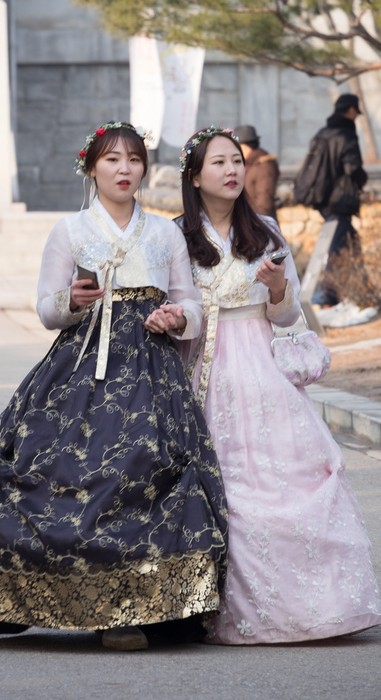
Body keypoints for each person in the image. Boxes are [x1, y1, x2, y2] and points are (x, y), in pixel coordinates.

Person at [0, 122, 229, 651]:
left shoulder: (164, 233)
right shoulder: (69, 231)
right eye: (112, 160)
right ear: (91, 168)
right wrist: (74, 302)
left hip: (150, 369)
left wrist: (175, 318)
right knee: (54, 466)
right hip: (81, 367)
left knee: (142, 467)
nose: (125, 170)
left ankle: (131, 611)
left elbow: (192, 305)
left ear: (145, 168)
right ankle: (53, 598)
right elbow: (47, 310)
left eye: (134, 160)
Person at [176, 125, 381, 644]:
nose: (231, 171)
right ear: (195, 176)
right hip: (206, 372)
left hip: (265, 374)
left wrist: (279, 288)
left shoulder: (265, 230)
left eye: (237, 162)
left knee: (295, 476)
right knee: (228, 488)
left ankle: (322, 605)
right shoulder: (176, 236)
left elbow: (289, 317)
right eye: (218, 163)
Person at [305, 94, 368, 307]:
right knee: (337, 248)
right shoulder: (346, 134)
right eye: (355, 113)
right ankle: (329, 298)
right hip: (341, 200)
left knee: (352, 242)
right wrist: (363, 180)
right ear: (351, 110)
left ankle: (365, 289)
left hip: (323, 199)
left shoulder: (322, 133)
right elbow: (353, 167)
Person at [233, 124, 280, 220]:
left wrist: (255, 223)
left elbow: (264, 201)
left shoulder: (264, 165)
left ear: (246, 146)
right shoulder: (248, 163)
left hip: (259, 221)